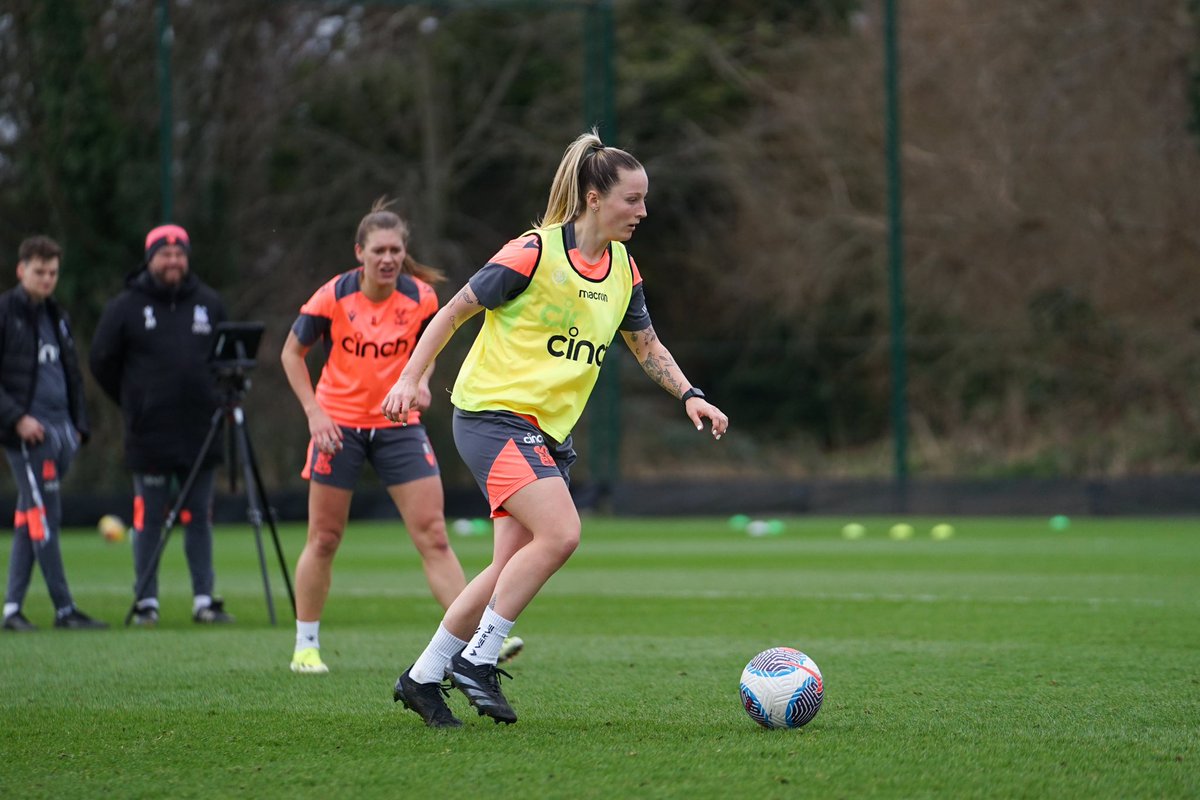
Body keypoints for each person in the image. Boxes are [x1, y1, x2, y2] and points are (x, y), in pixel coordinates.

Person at [384, 131, 729, 727]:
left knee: (505, 567)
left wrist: (690, 394)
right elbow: (453, 311)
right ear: (594, 199)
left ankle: (422, 677)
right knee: (563, 533)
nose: (643, 212)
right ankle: (478, 660)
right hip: (493, 415)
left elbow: (645, 344)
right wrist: (411, 378)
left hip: (546, 434)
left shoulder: (621, 267)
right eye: (633, 200)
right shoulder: (532, 252)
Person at [280, 201, 480, 675]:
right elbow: (292, 354)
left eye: (396, 250)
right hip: (338, 428)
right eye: (378, 251)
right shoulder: (333, 296)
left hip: (397, 425)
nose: (388, 258)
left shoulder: (421, 297)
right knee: (325, 538)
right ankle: (305, 647)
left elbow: (429, 348)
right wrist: (314, 414)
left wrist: (423, 380)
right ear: (360, 253)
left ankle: (472, 642)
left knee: (433, 534)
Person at [89, 224, 234, 626]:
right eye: (165, 254)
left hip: (201, 432)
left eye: (179, 254)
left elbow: (228, 358)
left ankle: (204, 599)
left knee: (199, 519)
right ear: (150, 258)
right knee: (148, 519)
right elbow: (101, 360)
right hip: (149, 433)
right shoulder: (126, 306)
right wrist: (134, 401)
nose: (173, 261)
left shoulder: (209, 302)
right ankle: (146, 602)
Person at [0, 236, 106, 631]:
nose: (47, 279)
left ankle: (11, 609)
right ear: (21, 269)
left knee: (32, 518)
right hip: (27, 437)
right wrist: (16, 418)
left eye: (53, 273)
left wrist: (79, 425)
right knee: (45, 515)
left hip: (61, 433)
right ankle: (65, 609)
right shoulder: (5, 313)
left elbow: (71, 374)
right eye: (39, 271)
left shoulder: (57, 315)